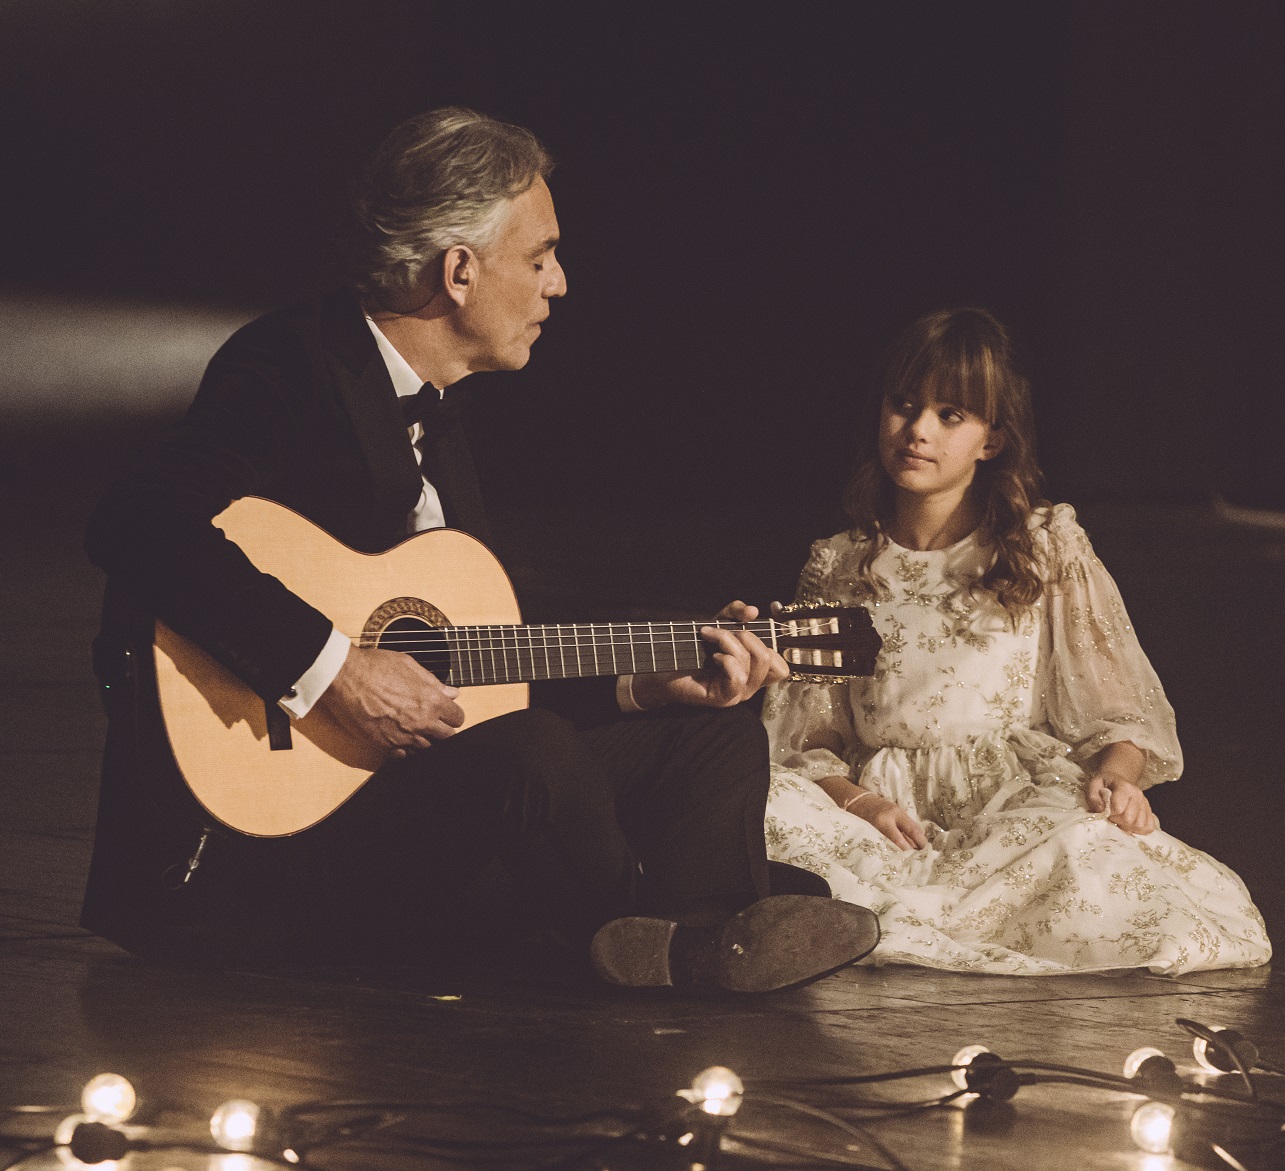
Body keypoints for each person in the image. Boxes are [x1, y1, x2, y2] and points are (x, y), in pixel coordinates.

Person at [80, 107, 879, 992]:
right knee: (533, 754)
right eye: (539, 257)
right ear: (459, 271)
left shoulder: (442, 419)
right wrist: (337, 668)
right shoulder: (291, 366)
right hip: (256, 847)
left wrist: (648, 685)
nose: (559, 284)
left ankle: (694, 937)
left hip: (402, 800)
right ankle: (680, 934)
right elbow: (138, 522)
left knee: (709, 736)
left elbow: (475, 666)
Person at [762, 307, 1271, 975]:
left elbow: (1120, 716)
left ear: (991, 439)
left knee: (1082, 851)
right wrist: (865, 802)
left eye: (949, 415)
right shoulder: (839, 565)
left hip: (1006, 804)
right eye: (903, 405)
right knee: (762, 806)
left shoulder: (1043, 547)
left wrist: (1117, 782)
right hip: (882, 814)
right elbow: (806, 743)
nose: (917, 431)